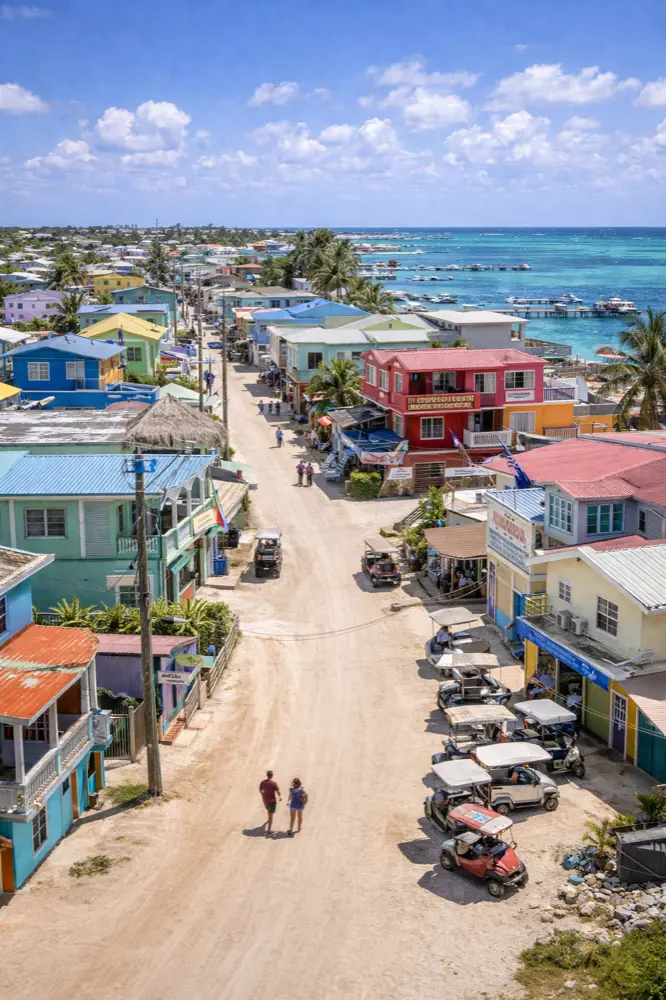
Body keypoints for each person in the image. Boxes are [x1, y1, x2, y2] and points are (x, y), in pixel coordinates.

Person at [259, 770, 281, 837]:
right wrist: (280, 796)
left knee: (269, 812)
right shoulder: (274, 783)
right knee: (271, 816)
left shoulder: (262, 782)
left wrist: (262, 795)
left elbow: (260, 790)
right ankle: (268, 831)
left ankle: (268, 820)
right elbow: (278, 791)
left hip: (265, 800)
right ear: (272, 775)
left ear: (267, 775)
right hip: (272, 801)